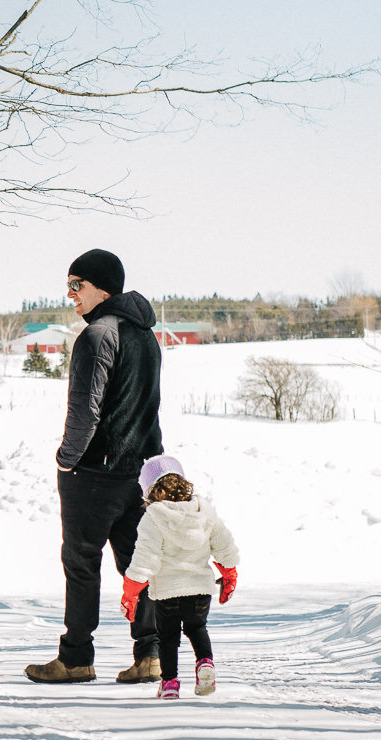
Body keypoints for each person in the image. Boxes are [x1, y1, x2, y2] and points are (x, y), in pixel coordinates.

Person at [25, 249, 166, 684]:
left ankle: (75, 659)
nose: (70, 295)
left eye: (76, 285)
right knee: (137, 565)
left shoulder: (96, 336)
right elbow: (149, 408)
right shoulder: (146, 336)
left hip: (95, 473)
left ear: (102, 288)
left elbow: (84, 411)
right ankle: (151, 655)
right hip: (140, 471)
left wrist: (67, 461)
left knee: (82, 563)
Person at [119, 454, 239, 699]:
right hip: (201, 590)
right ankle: (205, 662)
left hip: (168, 591)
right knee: (197, 628)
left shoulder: (153, 517)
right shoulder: (204, 511)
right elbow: (223, 544)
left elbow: (145, 560)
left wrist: (130, 593)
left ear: (149, 490)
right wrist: (230, 574)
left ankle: (170, 683)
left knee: (167, 638)